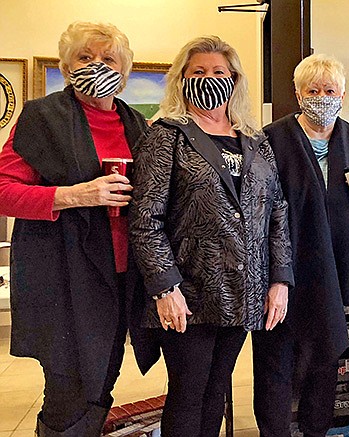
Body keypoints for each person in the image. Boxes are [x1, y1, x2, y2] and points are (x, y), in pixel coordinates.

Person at [128, 35, 293, 437]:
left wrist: (280, 280)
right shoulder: (166, 135)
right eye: (198, 72)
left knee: (217, 390)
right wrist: (165, 288)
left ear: (234, 79)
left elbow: (278, 215)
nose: (209, 79)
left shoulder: (256, 141)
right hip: (188, 294)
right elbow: (145, 218)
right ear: (182, 79)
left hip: (243, 292)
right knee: (188, 394)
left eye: (219, 72)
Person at [0, 22, 148, 436]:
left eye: (108, 58)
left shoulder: (137, 125)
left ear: (125, 70)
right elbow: (3, 191)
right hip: (64, 277)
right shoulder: (41, 118)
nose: (96, 65)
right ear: (66, 66)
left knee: (105, 374)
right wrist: (73, 195)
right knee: (68, 384)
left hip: (120, 277)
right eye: (85, 57)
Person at [251, 53, 349, 437]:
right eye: (313, 90)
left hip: (335, 271)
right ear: (297, 93)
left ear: (342, 94)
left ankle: (316, 431)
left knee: (324, 359)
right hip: (281, 271)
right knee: (276, 359)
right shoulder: (270, 140)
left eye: (329, 90)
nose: (321, 97)